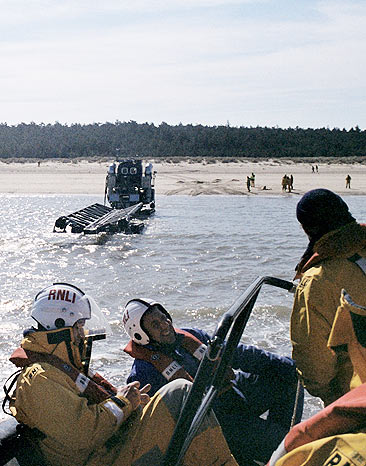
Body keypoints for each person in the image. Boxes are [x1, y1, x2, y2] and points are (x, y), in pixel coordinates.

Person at [6, 283, 237, 466]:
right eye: (79, 327)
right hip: (104, 459)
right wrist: (124, 401)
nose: (82, 334)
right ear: (60, 327)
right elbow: (85, 434)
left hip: (111, 452)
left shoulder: (60, 370)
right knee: (181, 392)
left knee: (177, 403)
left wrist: (135, 407)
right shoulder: (41, 379)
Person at [122, 299, 304, 465]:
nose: (165, 325)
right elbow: (150, 427)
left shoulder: (191, 336)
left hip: (233, 395)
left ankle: (266, 450)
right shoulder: (143, 373)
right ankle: (270, 447)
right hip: (218, 424)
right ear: (140, 335)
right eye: (155, 324)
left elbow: (238, 353)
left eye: (163, 318)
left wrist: (292, 366)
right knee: (292, 446)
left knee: (288, 376)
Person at [291, 189, 366, 406]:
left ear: (306, 228)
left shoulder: (317, 280)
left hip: (356, 401)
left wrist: (328, 395)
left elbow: (315, 367)